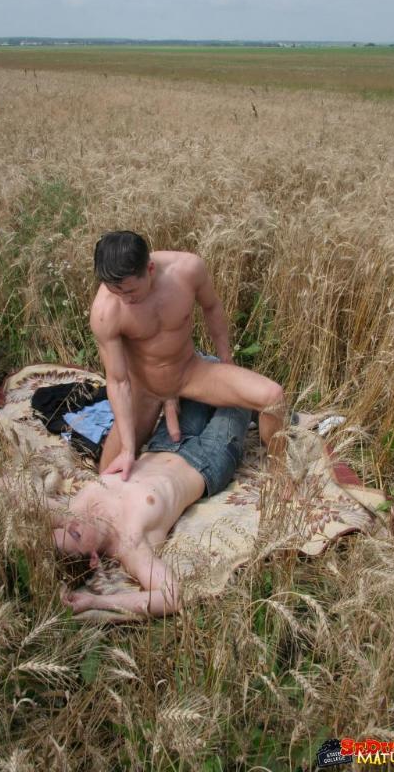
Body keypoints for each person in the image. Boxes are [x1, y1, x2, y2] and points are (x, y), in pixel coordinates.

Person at [90, 231, 286, 481]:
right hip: (144, 389)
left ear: (150, 269)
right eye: (115, 291)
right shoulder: (106, 312)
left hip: (189, 372)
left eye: (130, 291)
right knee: (105, 476)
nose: (125, 299)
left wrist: (226, 361)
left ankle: (281, 473)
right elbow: (118, 381)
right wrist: (128, 450)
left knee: (273, 396)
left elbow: (212, 307)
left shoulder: (187, 270)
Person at [56, 397, 251, 616]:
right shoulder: (130, 545)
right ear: (93, 558)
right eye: (75, 534)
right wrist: (95, 601)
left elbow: (33, 510)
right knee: (240, 393)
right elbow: (171, 597)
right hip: (206, 460)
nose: (74, 522)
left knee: (201, 377)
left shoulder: (76, 508)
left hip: (165, 443)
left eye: (65, 524)